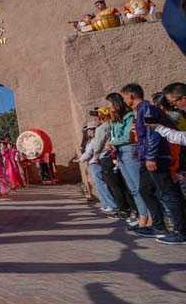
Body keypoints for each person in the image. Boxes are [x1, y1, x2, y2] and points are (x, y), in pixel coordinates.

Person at [120, 84, 186, 245]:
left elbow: (153, 133)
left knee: (168, 193)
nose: (123, 100)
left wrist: (151, 156)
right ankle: (158, 226)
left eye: (124, 97)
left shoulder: (147, 109)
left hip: (156, 157)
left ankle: (181, 231)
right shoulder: (139, 110)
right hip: (146, 157)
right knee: (145, 190)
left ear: (131, 96)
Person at [105, 92, 148, 229]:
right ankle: (143, 216)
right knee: (133, 189)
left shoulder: (129, 116)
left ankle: (149, 217)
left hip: (129, 151)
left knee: (139, 186)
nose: (109, 107)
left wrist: (112, 142)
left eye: (110, 104)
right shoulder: (116, 119)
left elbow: (128, 137)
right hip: (121, 153)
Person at [78, 108, 118, 213]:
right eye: (88, 130)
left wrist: (80, 160)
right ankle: (105, 204)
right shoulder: (92, 140)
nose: (89, 131)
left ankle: (111, 204)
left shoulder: (95, 138)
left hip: (96, 163)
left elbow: (91, 151)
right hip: (94, 163)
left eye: (91, 129)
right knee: (100, 185)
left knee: (102, 185)